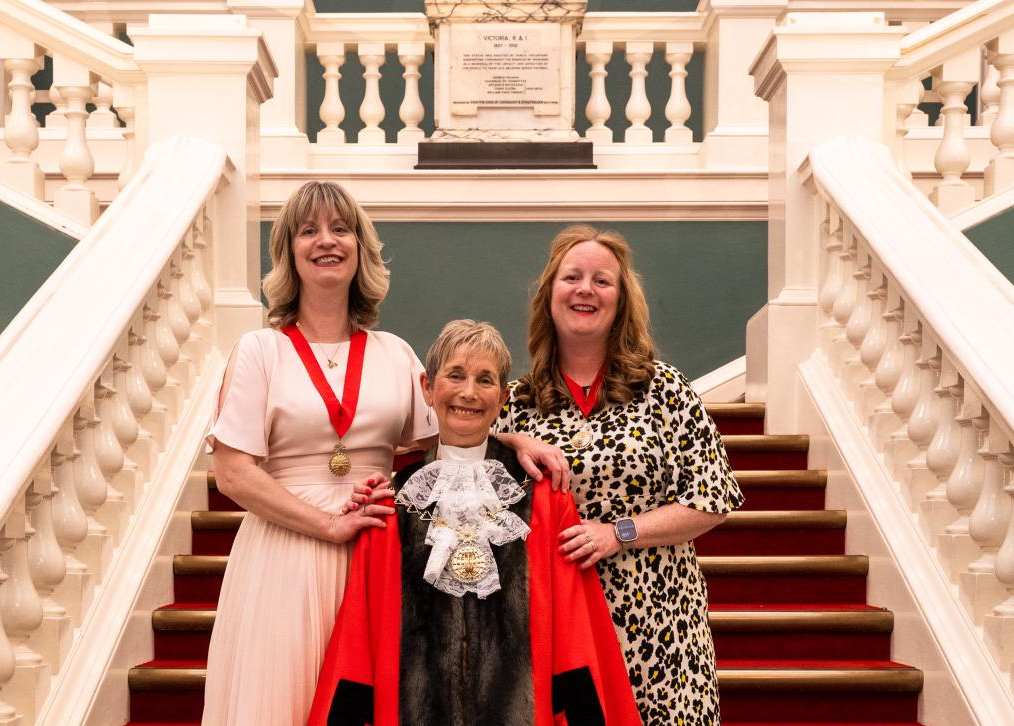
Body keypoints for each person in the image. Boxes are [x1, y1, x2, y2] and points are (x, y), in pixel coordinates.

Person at [201, 183, 567, 726]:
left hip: (382, 555)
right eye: (308, 230)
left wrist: (510, 440)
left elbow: (443, 442)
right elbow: (232, 474)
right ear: (289, 252)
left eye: (340, 229)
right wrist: (327, 525)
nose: (326, 241)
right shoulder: (261, 350)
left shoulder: (393, 353)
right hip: (287, 556)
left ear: (360, 249)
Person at [308, 320, 640, 726]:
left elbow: (573, 626)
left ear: (501, 399)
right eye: (455, 375)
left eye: (485, 380)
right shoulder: (391, 504)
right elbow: (361, 633)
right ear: (428, 388)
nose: (468, 392)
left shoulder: (543, 498)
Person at [495, 225, 744, 724]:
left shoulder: (666, 390)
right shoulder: (517, 404)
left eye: (602, 281)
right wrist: (508, 440)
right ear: (550, 296)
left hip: (661, 629)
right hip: (559, 632)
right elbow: (457, 462)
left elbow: (710, 499)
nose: (585, 289)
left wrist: (619, 533)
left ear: (621, 301)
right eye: (572, 277)